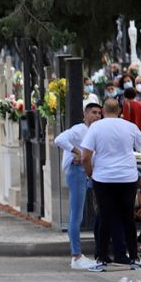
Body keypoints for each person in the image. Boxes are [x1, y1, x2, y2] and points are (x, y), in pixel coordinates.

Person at [80, 97, 141, 271]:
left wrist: (90, 172)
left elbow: (85, 156)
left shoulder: (96, 127)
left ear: (103, 112)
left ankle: (102, 258)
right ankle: (133, 257)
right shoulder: (130, 127)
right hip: (127, 178)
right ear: (120, 111)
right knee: (128, 218)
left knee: (105, 217)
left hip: (103, 178)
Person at [54, 100, 103, 269]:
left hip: (90, 174)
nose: (97, 116)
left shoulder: (97, 132)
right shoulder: (79, 130)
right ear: (85, 114)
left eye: (99, 113)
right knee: (76, 216)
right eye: (93, 112)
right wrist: (77, 152)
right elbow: (59, 139)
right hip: (77, 173)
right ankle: (76, 256)